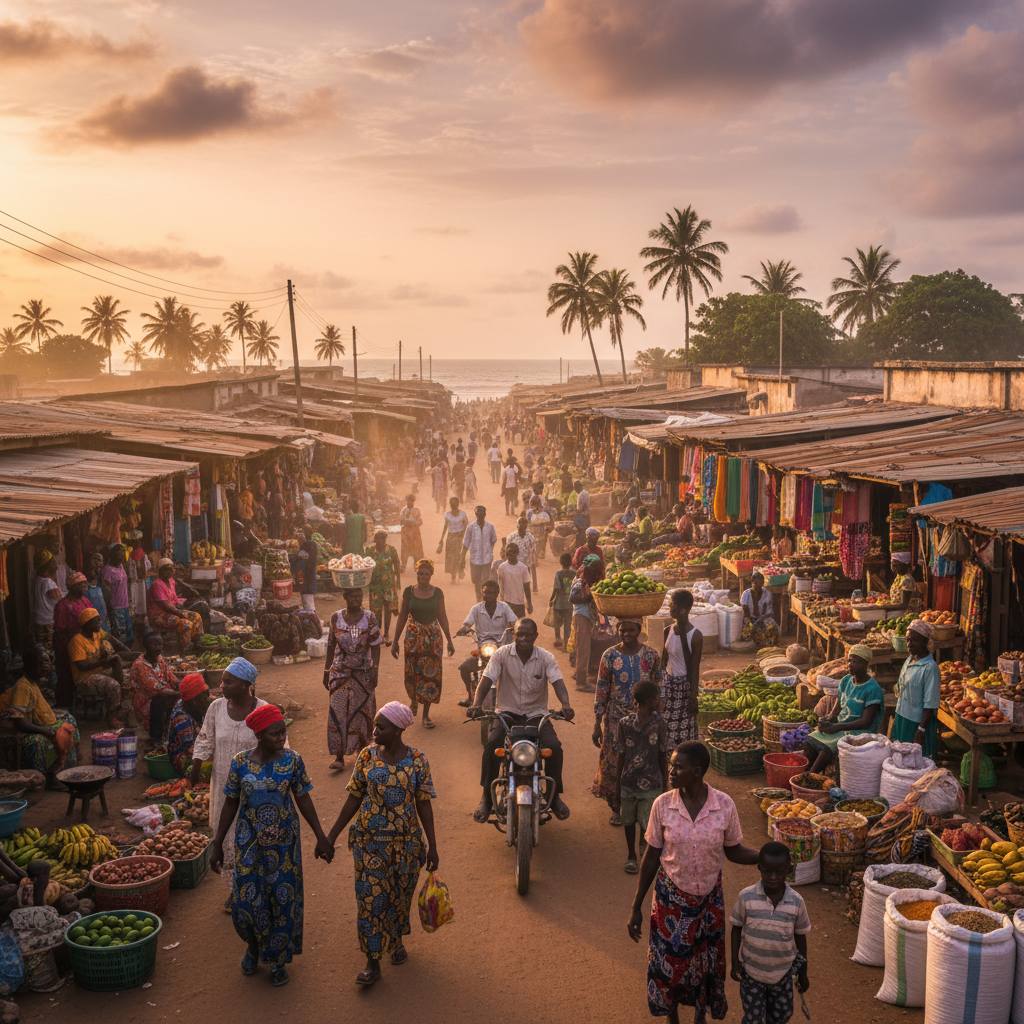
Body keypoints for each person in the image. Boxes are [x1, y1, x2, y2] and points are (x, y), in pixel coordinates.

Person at [627, 741, 760, 1023]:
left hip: (709, 902)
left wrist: (767, 857)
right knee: (670, 965)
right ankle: (671, 1013)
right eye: (671, 765)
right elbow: (651, 857)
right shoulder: (662, 805)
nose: (671, 770)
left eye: (678, 766)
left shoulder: (723, 805)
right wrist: (636, 906)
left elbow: (733, 849)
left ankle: (700, 1013)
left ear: (697, 771)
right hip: (670, 900)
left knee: (704, 964)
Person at [210, 705, 331, 987]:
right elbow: (230, 802)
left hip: (284, 845)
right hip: (248, 843)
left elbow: (303, 798)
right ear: (259, 735)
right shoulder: (240, 763)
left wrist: (321, 836)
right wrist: (218, 844)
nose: (281, 737)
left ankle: (276, 959)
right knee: (246, 904)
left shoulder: (292, 761)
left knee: (282, 901)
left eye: (283, 732)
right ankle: (253, 946)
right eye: (275, 733)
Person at [325, 702, 438, 987]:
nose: (374, 731)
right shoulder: (366, 757)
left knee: (400, 898)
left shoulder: (418, 761)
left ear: (399, 730)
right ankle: (372, 960)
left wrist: (432, 846)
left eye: (381, 727)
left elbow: (423, 804)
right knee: (370, 901)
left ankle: (396, 938)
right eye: (375, 725)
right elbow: (354, 797)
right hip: (369, 844)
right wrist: (331, 835)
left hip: (407, 845)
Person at [470, 617, 574, 822]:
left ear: (535, 636)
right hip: (506, 713)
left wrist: (566, 704)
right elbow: (487, 680)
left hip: (537, 714)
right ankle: (485, 798)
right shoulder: (501, 655)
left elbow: (558, 683)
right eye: (519, 634)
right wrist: (476, 704)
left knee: (554, 747)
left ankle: (555, 797)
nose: (523, 638)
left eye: (528, 634)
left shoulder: (546, 658)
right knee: (491, 745)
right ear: (514, 635)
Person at [191, 658, 271, 894]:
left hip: (254, 789)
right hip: (223, 787)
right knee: (225, 837)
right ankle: (235, 891)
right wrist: (195, 767)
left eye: (228, 682)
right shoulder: (216, 708)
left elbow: (278, 746)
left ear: (246, 684)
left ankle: (253, 887)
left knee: (252, 837)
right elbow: (205, 738)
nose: (221, 686)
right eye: (222, 681)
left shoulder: (263, 710)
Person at [730, 843, 811, 1024]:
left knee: (780, 1016)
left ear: (788, 870)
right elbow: (736, 927)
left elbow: (800, 936)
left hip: (782, 974)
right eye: (767, 871)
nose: (773, 877)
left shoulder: (797, 902)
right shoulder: (746, 897)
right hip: (751, 973)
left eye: (779, 872)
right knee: (753, 1018)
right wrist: (734, 961)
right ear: (759, 868)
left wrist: (803, 972)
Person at [592, 619, 662, 825]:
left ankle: (644, 806)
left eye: (631, 630)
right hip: (616, 718)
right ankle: (616, 807)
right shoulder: (609, 655)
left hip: (645, 719)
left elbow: (659, 685)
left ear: (639, 630)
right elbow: (602, 689)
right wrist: (597, 722)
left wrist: (658, 714)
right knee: (615, 762)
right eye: (622, 630)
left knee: (644, 761)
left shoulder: (652, 655)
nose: (627, 634)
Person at [391, 559, 455, 729]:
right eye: (420, 573)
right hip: (413, 637)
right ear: (416, 573)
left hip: (433, 638)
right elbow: (402, 616)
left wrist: (449, 640)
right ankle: (413, 700)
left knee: (431, 676)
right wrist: (395, 641)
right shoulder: (408, 592)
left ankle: (426, 715)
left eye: (426, 573)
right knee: (412, 671)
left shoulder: (438, 593)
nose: (422, 576)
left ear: (431, 575)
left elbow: (442, 616)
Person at [324, 587, 382, 771]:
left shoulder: (370, 617)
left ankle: (362, 753)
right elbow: (331, 645)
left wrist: (375, 669)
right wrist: (326, 670)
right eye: (353, 596)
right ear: (345, 597)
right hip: (339, 672)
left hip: (363, 672)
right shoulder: (336, 617)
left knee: (364, 713)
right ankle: (339, 756)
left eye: (359, 596)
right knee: (337, 711)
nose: (357, 599)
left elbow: (376, 645)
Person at [802, 645, 882, 773]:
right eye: (849, 661)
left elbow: (866, 722)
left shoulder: (873, 690)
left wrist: (836, 727)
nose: (850, 664)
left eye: (854, 661)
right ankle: (804, 773)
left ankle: (810, 778)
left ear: (865, 664)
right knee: (811, 739)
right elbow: (837, 710)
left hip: (860, 733)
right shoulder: (845, 681)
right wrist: (827, 719)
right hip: (841, 727)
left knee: (826, 749)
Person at [0, 645, 78, 778]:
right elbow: (18, 721)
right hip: (23, 731)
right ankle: (48, 776)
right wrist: (44, 731)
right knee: (41, 740)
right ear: (31, 664)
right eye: (41, 662)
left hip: (38, 724)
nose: (46, 666)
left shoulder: (32, 682)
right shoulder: (22, 687)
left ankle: (65, 768)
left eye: (47, 661)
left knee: (68, 720)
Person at [616, 680, 668, 875]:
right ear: (649, 700)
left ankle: (641, 850)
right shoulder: (625, 724)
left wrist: (664, 784)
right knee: (628, 820)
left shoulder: (660, 724)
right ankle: (631, 855)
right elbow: (621, 754)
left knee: (647, 823)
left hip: (651, 782)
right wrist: (616, 786)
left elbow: (662, 754)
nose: (659, 700)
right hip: (629, 782)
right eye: (657, 698)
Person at [455, 580, 517, 704]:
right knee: (465, 668)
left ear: (497, 594)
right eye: (485, 593)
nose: (487, 596)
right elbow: (467, 623)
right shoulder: (476, 609)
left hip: (501, 647)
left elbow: (514, 621)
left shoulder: (504, 607)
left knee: (516, 671)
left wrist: (513, 627)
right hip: (483, 647)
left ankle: (514, 701)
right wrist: (463, 629)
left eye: (491, 593)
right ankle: (471, 697)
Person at [68, 607, 126, 729]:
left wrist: (130, 653)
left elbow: (113, 640)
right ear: (85, 624)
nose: (99, 623)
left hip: (99, 672)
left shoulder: (97, 633)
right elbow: (81, 666)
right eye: (95, 621)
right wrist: (103, 662)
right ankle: (110, 715)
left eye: (99, 620)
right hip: (84, 678)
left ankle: (119, 708)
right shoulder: (77, 641)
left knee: (127, 676)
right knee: (113, 685)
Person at [890, 620, 941, 757]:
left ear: (925, 642)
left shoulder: (930, 668)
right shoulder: (910, 660)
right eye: (908, 640)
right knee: (900, 759)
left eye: (914, 640)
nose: (909, 644)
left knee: (916, 762)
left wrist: (921, 730)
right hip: (902, 716)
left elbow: (930, 704)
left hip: (916, 723)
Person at [661, 590, 702, 748]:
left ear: (683, 610)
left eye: (672, 605)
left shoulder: (695, 636)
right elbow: (664, 660)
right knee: (667, 727)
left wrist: (693, 696)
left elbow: (694, 668)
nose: (669, 608)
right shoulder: (668, 631)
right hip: (669, 684)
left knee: (685, 729)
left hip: (684, 686)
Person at [52, 571, 93, 706]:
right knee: (66, 675)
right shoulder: (63, 605)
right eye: (81, 584)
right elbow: (60, 631)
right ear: (72, 586)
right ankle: (66, 704)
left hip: (84, 645)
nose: (84, 586)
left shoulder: (86, 601)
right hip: (67, 646)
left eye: (85, 583)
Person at [129, 631, 180, 738]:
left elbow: (172, 679)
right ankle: (158, 737)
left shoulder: (159, 659)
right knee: (165, 701)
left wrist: (184, 687)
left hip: (164, 695)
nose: (159, 647)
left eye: (160, 644)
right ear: (146, 646)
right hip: (147, 702)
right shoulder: (140, 665)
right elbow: (158, 691)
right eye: (155, 644)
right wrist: (181, 694)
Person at [148, 559, 205, 647]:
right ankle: (185, 649)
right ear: (160, 571)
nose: (171, 571)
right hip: (158, 615)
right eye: (167, 569)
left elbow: (174, 599)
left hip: (171, 612)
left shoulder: (171, 581)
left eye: (172, 568)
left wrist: (185, 604)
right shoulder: (157, 585)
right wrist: (180, 613)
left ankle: (198, 643)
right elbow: (165, 606)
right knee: (186, 624)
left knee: (196, 616)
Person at [165, 674, 211, 777]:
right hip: (187, 761)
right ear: (194, 701)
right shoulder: (182, 718)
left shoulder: (193, 706)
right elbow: (191, 752)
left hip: (199, 751)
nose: (208, 700)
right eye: (205, 697)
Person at [569, 554, 603, 693]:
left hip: (584, 616)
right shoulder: (580, 581)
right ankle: (581, 683)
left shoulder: (584, 579)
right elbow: (573, 598)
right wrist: (590, 597)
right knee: (583, 649)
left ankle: (579, 674)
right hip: (582, 615)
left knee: (582, 648)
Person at [367, 529, 401, 644]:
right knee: (376, 610)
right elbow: (365, 565)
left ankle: (386, 634)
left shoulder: (391, 550)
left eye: (383, 538)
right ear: (375, 539)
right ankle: (378, 633)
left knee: (388, 608)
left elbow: (396, 564)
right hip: (375, 584)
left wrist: (398, 581)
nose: (380, 540)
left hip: (388, 584)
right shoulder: (370, 550)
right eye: (378, 538)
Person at [31, 549, 62, 672]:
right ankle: (52, 678)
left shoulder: (37, 580)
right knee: (51, 653)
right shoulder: (48, 583)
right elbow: (61, 601)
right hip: (48, 623)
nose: (56, 566)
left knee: (42, 652)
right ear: (47, 567)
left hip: (38, 622)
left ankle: (45, 677)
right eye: (53, 563)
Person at [461, 505, 499, 602]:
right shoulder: (471, 527)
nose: (480, 515)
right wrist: (462, 558)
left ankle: (483, 600)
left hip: (486, 559)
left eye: (482, 513)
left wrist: (488, 550)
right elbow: (465, 543)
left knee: (485, 581)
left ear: (485, 514)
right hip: (474, 559)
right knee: (476, 580)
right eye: (478, 513)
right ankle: (479, 598)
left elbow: (493, 540)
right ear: (476, 514)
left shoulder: (490, 527)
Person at [102, 544, 134, 645]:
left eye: (123, 552)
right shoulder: (107, 570)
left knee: (129, 636)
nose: (121, 554)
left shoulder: (121, 566)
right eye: (119, 552)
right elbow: (106, 591)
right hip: (115, 607)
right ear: (112, 554)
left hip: (125, 605)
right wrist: (109, 609)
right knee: (120, 637)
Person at [741, 572, 779, 647]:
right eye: (754, 583)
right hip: (750, 619)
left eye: (758, 583)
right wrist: (752, 621)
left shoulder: (768, 594)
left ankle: (766, 642)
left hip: (763, 619)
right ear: (751, 583)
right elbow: (745, 612)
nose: (755, 585)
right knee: (747, 632)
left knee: (772, 627)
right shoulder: (745, 594)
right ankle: (756, 640)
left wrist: (761, 619)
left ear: (762, 584)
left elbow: (770, 613)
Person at [437, 496, 469, 585]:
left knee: (460, 556)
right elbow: (445, 527)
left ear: (458, 505)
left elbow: (466, 526)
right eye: (452, 505)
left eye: (454, 505)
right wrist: (442, 539)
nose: (453, 507)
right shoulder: (448, 515)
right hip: (450, 538)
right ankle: (453, 576)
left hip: (460, 537)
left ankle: (461, 569)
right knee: (451, 558)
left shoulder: (463, 515)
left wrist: (466, 538)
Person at [497, 542, 532, 619]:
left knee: (519, 625)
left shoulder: (523, 568)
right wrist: (500, 601)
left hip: (519, 602)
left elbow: (526, 587)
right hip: (506, 602)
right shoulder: (502, 567)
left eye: (511, 553)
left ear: (517, 553)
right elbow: (500, 585)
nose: (509, 555)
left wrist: (529, 603)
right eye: (507, 553)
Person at [503, 516, 538, 591]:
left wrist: (534, 562)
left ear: (526, 526)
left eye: (524, 526)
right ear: (517, 526)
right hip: (513, 563)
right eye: (520, 526)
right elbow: (507, 551)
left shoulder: (530, 537)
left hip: (526, 564)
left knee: (525, 582)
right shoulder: (511, 537)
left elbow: (533, 551)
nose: (522, 528)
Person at [549, 552, 575, 649]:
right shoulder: (574, 573)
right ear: (571, 562)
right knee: (567, 623)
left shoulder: (559, 573)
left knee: (557, 621)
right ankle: (566, 642)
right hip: (570, 603)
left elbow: (557, 588)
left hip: (559, 603)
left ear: (560, 562)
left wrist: (552, 599)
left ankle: (558, 638)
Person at [83, 552, 111, 633]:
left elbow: (104, 602)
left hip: (103, 618)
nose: (95, 572)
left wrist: (107, 618)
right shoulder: (84, 587)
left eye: (98, 568)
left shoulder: (100, 584)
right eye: (92, 569)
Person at [293, 527, 319, 611]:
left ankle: (312, 616)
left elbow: (302, 556)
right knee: (307, 601)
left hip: (307, 579)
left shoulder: (309, 544)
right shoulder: (309, 544)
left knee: (308, 604)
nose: (296, 535)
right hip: (308, 579)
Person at [399, 494, 425, 573]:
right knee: (405, 550)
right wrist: (409, 522)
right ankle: (403, 567)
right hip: (407, 532)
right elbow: (401, 521)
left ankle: (417, 566)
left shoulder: (416, 510)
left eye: (410, 501)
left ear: (413, 501)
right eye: (408, 501)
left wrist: (413, 522)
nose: (409, 503)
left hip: (414, 532)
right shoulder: (403, 510)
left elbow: (420, 522)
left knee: (416, 549)